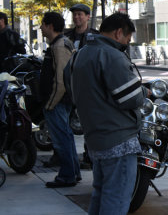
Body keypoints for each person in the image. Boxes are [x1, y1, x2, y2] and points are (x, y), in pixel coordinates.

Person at [66, 12, 148, 214]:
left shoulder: (81, 54)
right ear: (119, 33)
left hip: (96, 138)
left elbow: (71, 90)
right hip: (118, 139)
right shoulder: (111, 55)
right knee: (117, 199)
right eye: (127, 40)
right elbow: (132, 98)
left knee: (101, 194)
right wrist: (144, 91)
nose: (126, 45)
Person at [39, 11, 81, 188]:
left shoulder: (59, 46)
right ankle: (73, 172)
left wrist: (50, 103)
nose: (40, 27)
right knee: (66, 137)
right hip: (60, 101)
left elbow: (61, 80)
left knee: (61, 140)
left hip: (58, 102)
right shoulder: (58, 44)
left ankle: (67, 176)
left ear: (50, 26)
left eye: (42, 24)